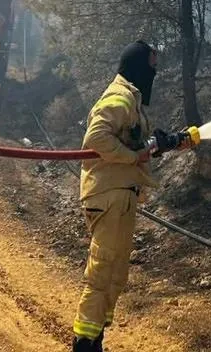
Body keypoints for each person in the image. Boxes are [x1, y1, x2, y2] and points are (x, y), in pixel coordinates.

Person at [71, 41, 160, 352]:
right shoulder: (120, 98)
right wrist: (132, 157)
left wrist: (154, 145)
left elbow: (127, 140)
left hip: (119, 197)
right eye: (151, 67)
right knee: (102, 270)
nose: (154, 73)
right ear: (137, 67)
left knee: (114, 273)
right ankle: (83, 344)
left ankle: (94, 339)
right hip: (109, 195)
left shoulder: (130, 100)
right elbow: (96, 138)